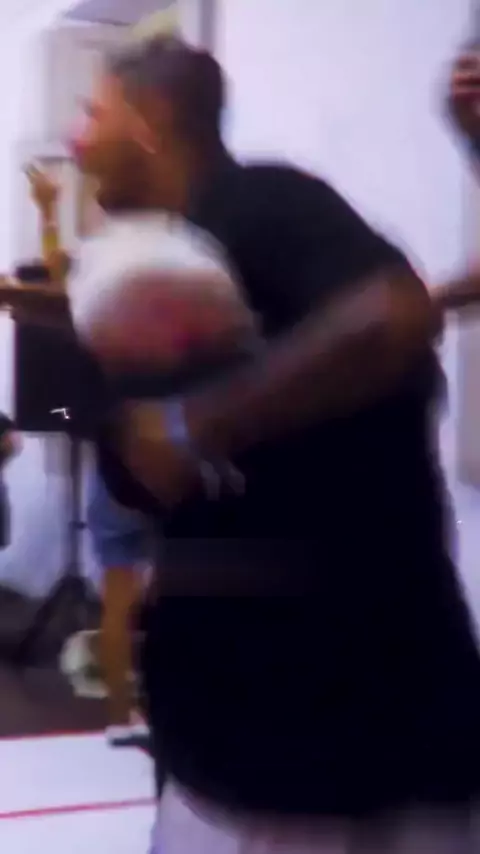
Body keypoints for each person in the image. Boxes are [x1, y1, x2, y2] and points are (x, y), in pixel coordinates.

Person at [62, 36, 480, 853]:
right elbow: (151, 477)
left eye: (92, 112)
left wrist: (190, 427)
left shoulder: (262, 202)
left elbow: (390, 318)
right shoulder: (166, 258)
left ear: (149, 119)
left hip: (322, 743)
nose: (76, 140)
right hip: (242, 735)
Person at [25, 164, 151, 747]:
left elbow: (58, 285)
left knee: (119, 596)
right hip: (173, 445)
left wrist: (49, 213)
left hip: (124, 448)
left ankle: (124, 721)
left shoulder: (107, 272)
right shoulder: (181, 268)